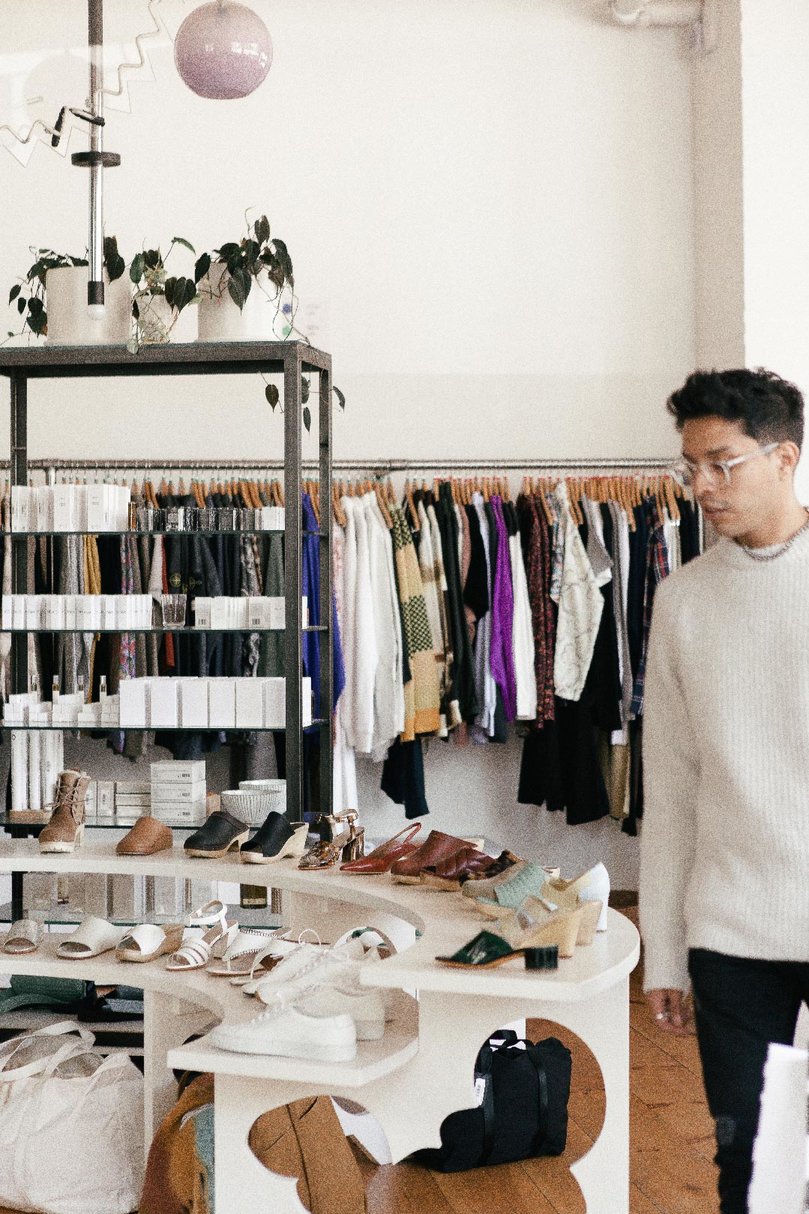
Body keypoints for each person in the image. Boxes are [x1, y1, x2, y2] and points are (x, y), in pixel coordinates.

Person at [639, 367, 809, 1214]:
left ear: (783, 457)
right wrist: (663, 951)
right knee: (746, 1168)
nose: (700, 485)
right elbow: (668, 786)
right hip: (732, 933)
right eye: (689, 466)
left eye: (720, 463)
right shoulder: (683, 601)